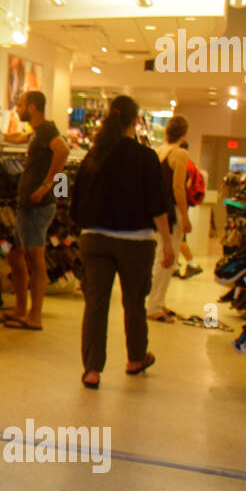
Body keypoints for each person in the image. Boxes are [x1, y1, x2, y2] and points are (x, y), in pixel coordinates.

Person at [70, 95, 175, 389]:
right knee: (134, 302)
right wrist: (167, 242)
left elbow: (73, 199)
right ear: (134, 120)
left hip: (94, 239)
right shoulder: (145, 157)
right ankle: (136, 358)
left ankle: (92, 370)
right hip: (135, 242)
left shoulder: (93, 156)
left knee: (95, 305)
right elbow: (157, 205)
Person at [0, 90, 69, 330]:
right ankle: (20, 309)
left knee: (35, 260)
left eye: (19, 105)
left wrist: (48, 183)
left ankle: (34, 316)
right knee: (16, 256)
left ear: (32, 107)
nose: (16, 109)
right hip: (27, 205)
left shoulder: (47, 130)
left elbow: (63, 150)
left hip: (36, 207)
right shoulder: (38, 133)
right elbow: (20, 138)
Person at [145, 117, 192, 321]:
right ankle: (154, 305)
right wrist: (185, 214)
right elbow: (178, 187)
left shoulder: (158, 152)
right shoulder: (180, 154)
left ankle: (158, 302)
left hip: (157, 209)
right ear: (184, 133)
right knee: (166, 258)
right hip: (171, 210)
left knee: (162, 256)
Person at [174, 139, 203, 279]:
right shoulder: (189, 163)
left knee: (179, 237)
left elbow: (180, 187)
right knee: (177, 237)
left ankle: (192, 264)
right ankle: (175, 265)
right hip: (183, 204)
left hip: (180, 205)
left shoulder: (184, 164)